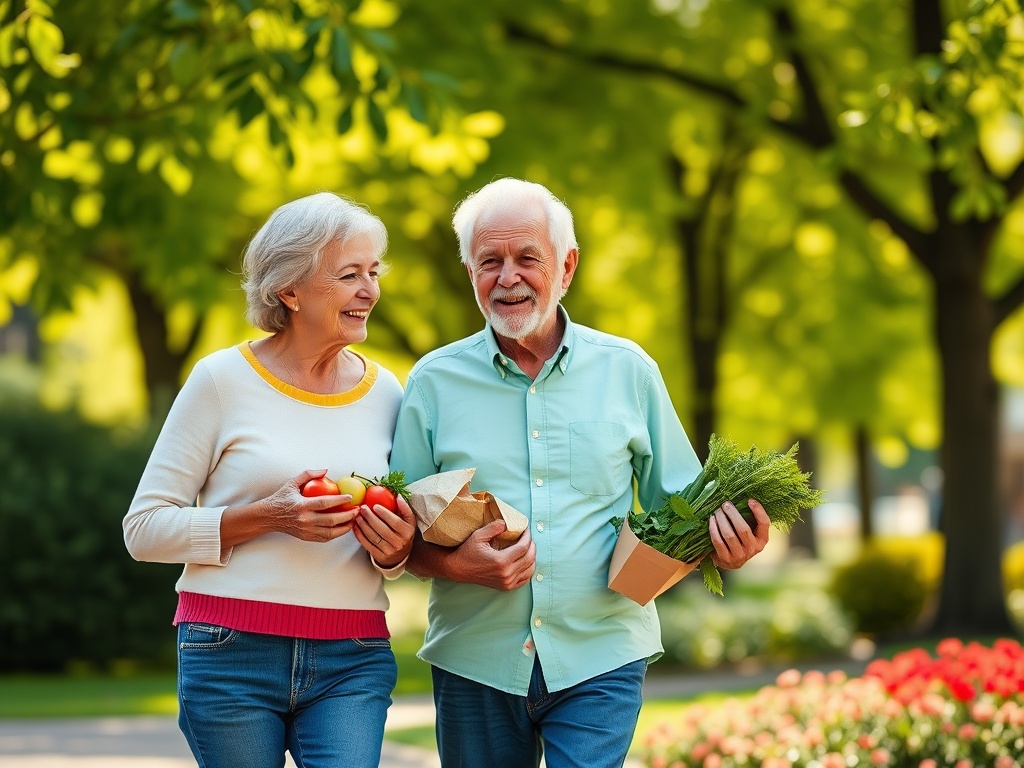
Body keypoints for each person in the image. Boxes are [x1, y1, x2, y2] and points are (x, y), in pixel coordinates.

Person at [390, 177, 771, 768]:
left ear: (566, 267)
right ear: (470, 273)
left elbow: (683, 507)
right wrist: (454, 565)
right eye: (489, 261)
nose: (508, 277)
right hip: (475, 659)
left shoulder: (629, 371)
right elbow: (396, 534)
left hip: (603, 652)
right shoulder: (432, 383)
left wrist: (728, 544)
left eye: (528, 258)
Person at [123, 191, 416, 768]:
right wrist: (270, 516)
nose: (370, 291)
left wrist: (396, 549)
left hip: (352, 654)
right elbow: (144, 529)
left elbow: (395, 547)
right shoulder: (220, 380)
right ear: (289, 290)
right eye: (349, 275)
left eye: (374, 272)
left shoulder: (387, 392)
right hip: (230, 652)